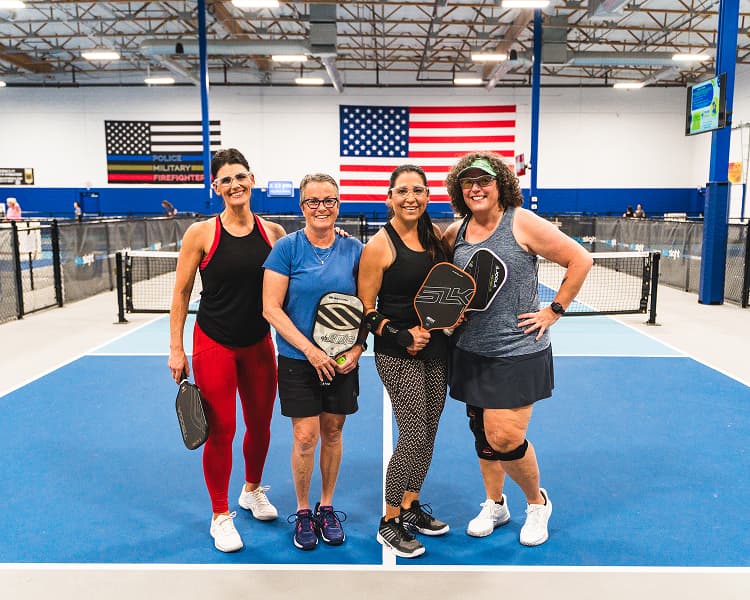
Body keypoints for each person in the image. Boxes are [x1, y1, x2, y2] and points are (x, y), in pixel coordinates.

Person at [443, 152, 592, 547]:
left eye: (484, 181)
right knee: (482, 433)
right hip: (470, 350)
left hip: (517, 350)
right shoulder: (455, 232)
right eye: (467, 183)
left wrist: (553, 310)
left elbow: (580, 259)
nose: (476, 188)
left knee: (505, 437)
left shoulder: (520, 222)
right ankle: (495, 503)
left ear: (500, 185)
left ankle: (536, 502)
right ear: (460, 189)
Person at [168, 148, 287, 553]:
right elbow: (182, 293)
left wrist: (335, 237)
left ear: (252, 180)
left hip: (258, 344)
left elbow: (302, 264)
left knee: (261, 424)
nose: (235, 185)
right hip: (213, 342)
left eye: (241, 177)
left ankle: (251, 490)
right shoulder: (200, 234)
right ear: (215, 187)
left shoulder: (273, 233)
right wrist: (176, 348)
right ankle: (220, 514)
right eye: (226, 180)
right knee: (222, 431)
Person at [262, 173, 366, 551]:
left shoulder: (355, 250)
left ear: (338, 205)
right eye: (313, 201)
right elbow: (271, 309)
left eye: (329, 201)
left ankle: (326, 507)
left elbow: (367, 309)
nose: (321, 208)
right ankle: (304, 511)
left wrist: (356, 349)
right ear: (301, 206)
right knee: (305, 436)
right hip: (297, 360)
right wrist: (311, 351)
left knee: (334, 432)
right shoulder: (286, 249)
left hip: (342, 362)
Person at [357, 164, 451, 559]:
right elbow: (365, 309)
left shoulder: (437, 240)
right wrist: (400, 335)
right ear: (389, 198)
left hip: (436, 349)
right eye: (402, 191)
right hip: (397, 354)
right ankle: (389, 520)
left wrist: (451, 316)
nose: (410, 197)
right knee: (412, 432)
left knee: (428, 431)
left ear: (428, 196)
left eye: (418, 190)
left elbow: (445, 290)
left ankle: (411, 506)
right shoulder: (380, 245)